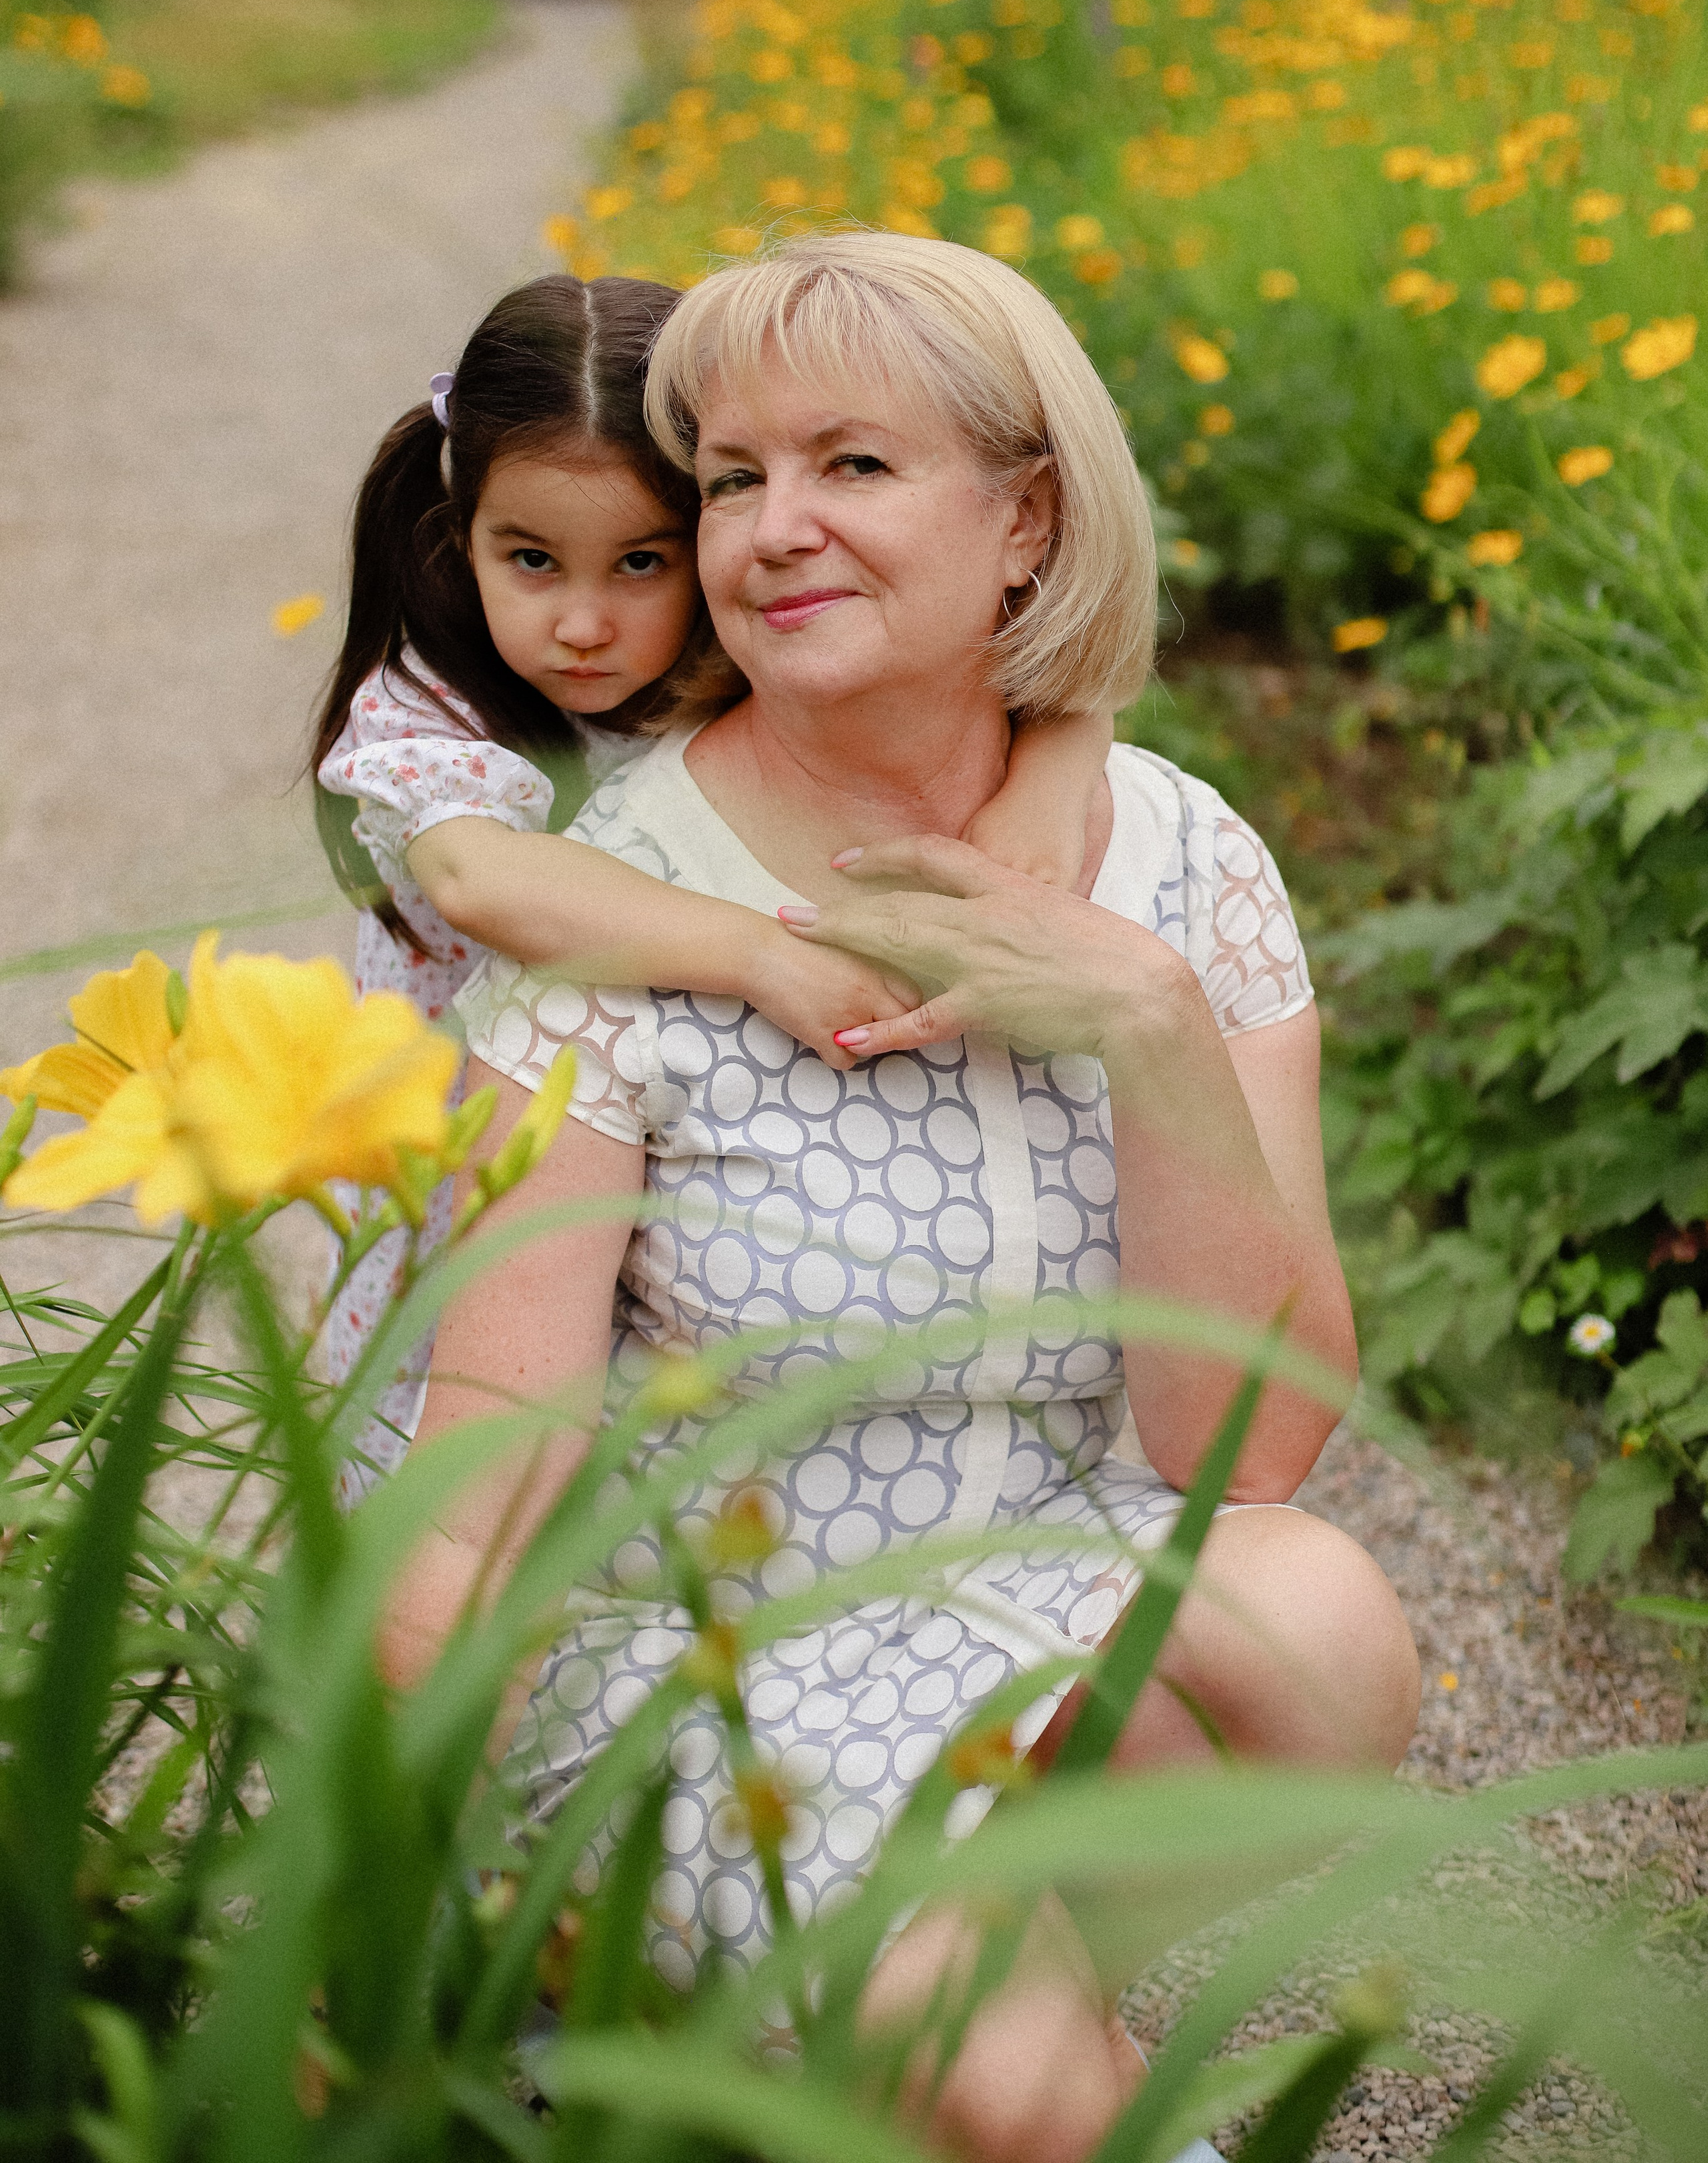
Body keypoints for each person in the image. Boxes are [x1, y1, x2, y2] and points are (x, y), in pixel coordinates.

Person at [378, 230, 1421, 2161]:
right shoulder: (629, 906)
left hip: (1025, 1601)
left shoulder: (1187, 862)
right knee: (1035, 2101)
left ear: (1026, 521)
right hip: (711, 1651)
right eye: (733, 480)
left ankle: (919, 2021)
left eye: (852, 465)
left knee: (1325, 1623)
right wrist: (420, 1850)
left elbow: (1254, 1446)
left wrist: (1153, 1023)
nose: (774, 528)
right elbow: (496, 1444)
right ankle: (922, 2046)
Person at [310, 272, 1113, 1490]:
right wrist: (763, 954)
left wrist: (1054, 776)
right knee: (457, 1472)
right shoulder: (433, 706)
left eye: (641, 562)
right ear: (457, 537)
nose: (583, 623)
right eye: (531, 560)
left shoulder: (748, 650)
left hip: (693, 1164)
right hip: (484, 1173)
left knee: (665, 1454)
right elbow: (482, 879)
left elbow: (1039, 671)